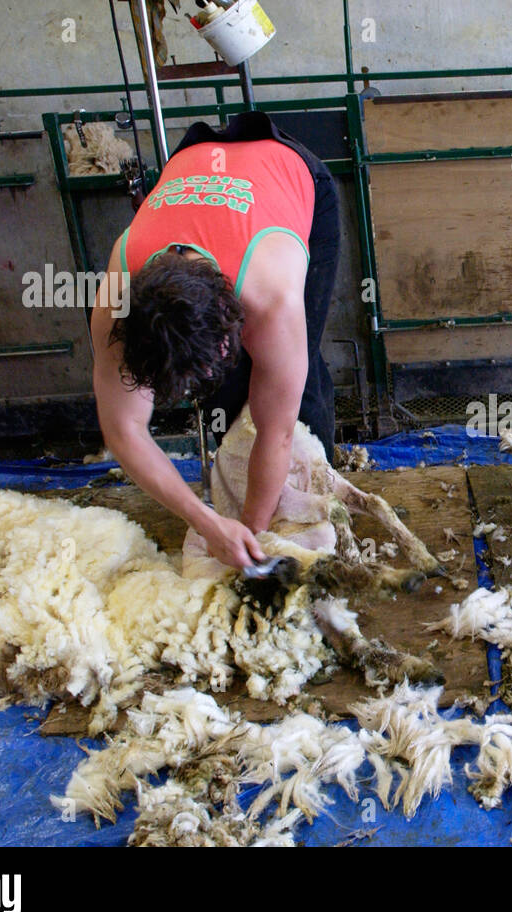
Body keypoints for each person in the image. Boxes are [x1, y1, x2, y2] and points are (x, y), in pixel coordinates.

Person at [90, 111, 339, 571]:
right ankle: (234, 493)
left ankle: (314, 499)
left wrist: (253, 538)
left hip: (290, 175)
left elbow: (276, 430)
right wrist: (206, 522)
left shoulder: (272, 292)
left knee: (294, 388)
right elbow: (124, 430)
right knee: (226, 390)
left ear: (232, 328)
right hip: (195, 160)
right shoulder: (114, 304)